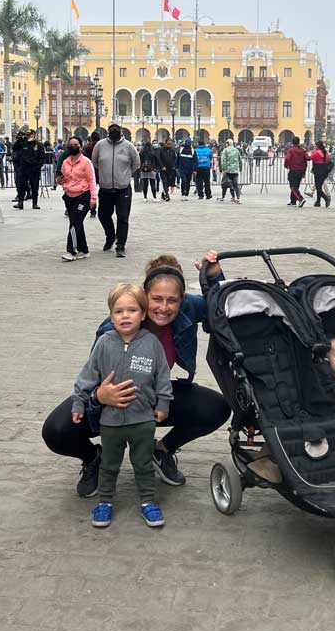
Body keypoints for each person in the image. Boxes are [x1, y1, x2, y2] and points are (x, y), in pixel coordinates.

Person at [42, 251, 230, 495]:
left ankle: (160, 450)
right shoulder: (112, 328)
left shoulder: (186, 307)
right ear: (143, 297)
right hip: (112, 401)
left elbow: (221, 309)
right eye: (156, 299)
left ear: (181, 298)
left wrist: (214, 275)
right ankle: (94, 458)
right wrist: (99, 397)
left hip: (154, 396)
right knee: (56, 431)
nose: (164, 307)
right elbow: (91, 375)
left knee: (217, 407)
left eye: (172, 300)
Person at [71, 283, 172, 529]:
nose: (125, 316)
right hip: (111, 421)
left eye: (132, 310)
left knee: (143, 464)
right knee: (109, 465)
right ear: (110, 314)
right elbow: (88, 374)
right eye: (118, 311)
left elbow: (162, 376)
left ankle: (148, 501)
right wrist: (79, 401)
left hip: (143, 420)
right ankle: (105, 501)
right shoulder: (104, 343)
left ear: (143, 313)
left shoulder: (151, 343)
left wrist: (163, 402)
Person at [91, 124, 140, 258]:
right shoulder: (100, 145)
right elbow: (95, 161)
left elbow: (136, 163)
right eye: (111, 130)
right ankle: (110, 236)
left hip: (123, 189)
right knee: (103, 215)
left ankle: (120, 245)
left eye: (116, 130)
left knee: (123, 217)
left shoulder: (129, 146)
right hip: (105, 188)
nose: (114, 132)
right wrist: (105, 172)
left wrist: (125, 174)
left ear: (121, 132)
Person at [56, 136, 97, 261]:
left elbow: (92, 181)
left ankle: (71, 251)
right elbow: (65, 179)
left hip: (83, 196)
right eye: (71, 144)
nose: (73, 147)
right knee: (77, 222)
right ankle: (83, 249)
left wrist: (93, 199)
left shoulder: (86, 162)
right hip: (69, 196)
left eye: (76, 145)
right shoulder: (65, 162)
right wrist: (60, 181)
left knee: (74, 223)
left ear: (80, 146)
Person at [12, 129, 46, 210]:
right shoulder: (23, 143)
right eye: (27, 134)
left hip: (34, 169)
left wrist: (38, 166)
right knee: (21, 186)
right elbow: (14, 148)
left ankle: (35, 203)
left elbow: (42, 157)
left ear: (34, 134)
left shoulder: (39, 145)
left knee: (34, 186)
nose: (29, 136)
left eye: (30, 134)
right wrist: (20, 139)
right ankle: (20, 202)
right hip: (24, 168)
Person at [284, 136, 308, 206]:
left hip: (293, 169)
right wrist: (304, 171)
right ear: (298, 142)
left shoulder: (291, 150)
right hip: (301, 170)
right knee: (296, 186)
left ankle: (300, 199)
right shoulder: (303, 150)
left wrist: (286, 165)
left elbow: (287, 158)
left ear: (292, 142)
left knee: (292, 186)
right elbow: (306, 159)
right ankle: (293, 201)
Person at [309, 141, 332, 208]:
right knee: (319, 186)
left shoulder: (316, 153)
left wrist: (305, 154)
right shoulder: (325, 153)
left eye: (315, 145)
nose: (314, 146)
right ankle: (318, 202)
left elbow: (309, 158)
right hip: (324, 171)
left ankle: (326, 199)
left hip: (317, 170)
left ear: (317, 146)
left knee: (318, 187)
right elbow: (328, 160)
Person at [219, 138, 242, 203]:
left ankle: (223, 197)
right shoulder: (236, 150)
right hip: (235, 170)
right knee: (235, 184)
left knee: (225, 184)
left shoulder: (225, 150)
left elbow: (223, 160)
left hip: (228, 170)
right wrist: (240, 168)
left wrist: (223, 169)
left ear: (227, 144)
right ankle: (238, 198)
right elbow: (240, 160)